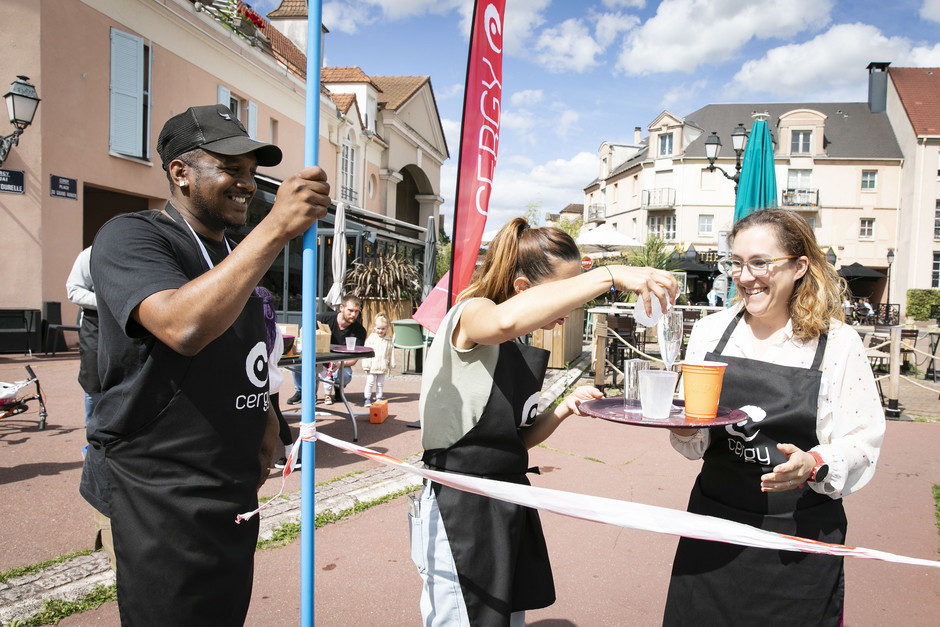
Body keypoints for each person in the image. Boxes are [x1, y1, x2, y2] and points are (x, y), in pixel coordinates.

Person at [79, 104, 331, 624]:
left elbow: (248, 351)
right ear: (181, 174)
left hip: (229, 488)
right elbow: (183, 326)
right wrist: (276, 230)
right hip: (160, 491)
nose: (248, 185)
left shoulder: (236, 253)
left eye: (252, 173)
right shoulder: (131, 236)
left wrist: (267, 419)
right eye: (231, 169)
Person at [410, 217, 678, 625]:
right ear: (522, 289)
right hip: (461, 506)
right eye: (566, 295)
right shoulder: (473, 312)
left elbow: (515, 443)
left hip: (509, 498)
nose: (572, 308)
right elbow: (501, 321)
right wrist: (609, 274)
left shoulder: (516, 342)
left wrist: (563, 408)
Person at [663, 209, 885, 626]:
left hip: (797, 537)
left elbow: (863, 439)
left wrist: (815, 463)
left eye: (760, 262)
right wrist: (681, 425)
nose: (745, 277)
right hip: (715, 525)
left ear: (800, 266)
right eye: (736, 263)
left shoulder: (837, 343)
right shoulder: (710, 332)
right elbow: (694, 440)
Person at [255, 286, 296, 470]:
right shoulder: (276, 330)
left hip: (255, 381)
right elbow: (279, 355)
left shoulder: (252, 326)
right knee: (276, 417)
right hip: (272, 380)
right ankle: (290, 454)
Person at [65, 246, 100, 424]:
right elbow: (73, 290)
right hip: (96, 323)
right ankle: (93, 432)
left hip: (129, 322)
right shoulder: (89, 255)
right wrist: (105, 300)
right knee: (93, 379)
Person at [317, 294, 367, 404]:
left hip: (340, 362)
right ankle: (301, 391)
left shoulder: (359, 331)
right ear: (341, 308)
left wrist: (340, 364)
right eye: (350, 310)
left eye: (356, 311)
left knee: (346, 374)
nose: (353, 314)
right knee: (298, 364)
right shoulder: (323, 319)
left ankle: (338, 388)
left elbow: (354, 360)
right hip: (319, 357)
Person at [361, 312, 395, 406]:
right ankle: (367, 398)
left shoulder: (388, 340)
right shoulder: (371, 339)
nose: (380, 331)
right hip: (372, 365)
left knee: (380, 383)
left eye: (383, 329)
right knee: (370, 382)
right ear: (374, 327)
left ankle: (379, 397)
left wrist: (391, 363)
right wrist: (366, 365)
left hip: (382, 366)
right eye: (378, 328)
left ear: (387, 328)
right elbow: (366, 352)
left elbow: (390, 353)